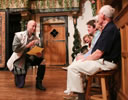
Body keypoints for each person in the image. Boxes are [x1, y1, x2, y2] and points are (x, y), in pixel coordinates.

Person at [64, 5, 121, 100]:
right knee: (75, 64)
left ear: (103, 16)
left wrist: (84, 58)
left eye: (99, 14)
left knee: (73, 68)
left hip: (106, 63)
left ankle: (80, 97)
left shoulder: (109, 30)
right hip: (103, 61)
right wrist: (84, 58)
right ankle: (78, 94)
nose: (98, 17)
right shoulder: (108, 28)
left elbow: (98, 53)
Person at [7, 20, 46, 91]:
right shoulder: (18, 35)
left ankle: (38, 83)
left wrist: (39, 54)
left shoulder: (36, 39)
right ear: (27, 26)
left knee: (42, 60)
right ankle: (17, 73)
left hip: (29, 58)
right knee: (20, 85)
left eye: (35, 26)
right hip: (18, 60)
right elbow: (15, 49)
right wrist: (27, 46)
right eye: (32, 26)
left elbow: (36, 51)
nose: (34, 28)